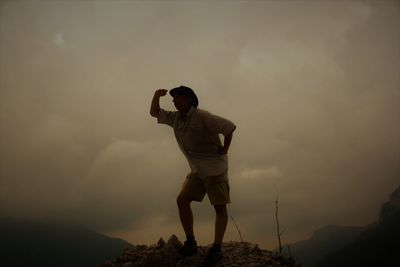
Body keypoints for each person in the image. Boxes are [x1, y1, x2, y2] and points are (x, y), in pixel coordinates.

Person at [150, 86, 236, 265]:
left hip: (214, 168)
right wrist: (156, 95)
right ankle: (191, 242)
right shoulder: (176, 118)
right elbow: (154, 112)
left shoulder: (203, 116)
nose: (175, 101)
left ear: (189, 99)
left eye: (179, 98)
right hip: (197, 169)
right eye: (174, 99)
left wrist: (225, 148)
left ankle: (217, 248)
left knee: (219, 207)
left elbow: (229, 127)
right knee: (182, 200)